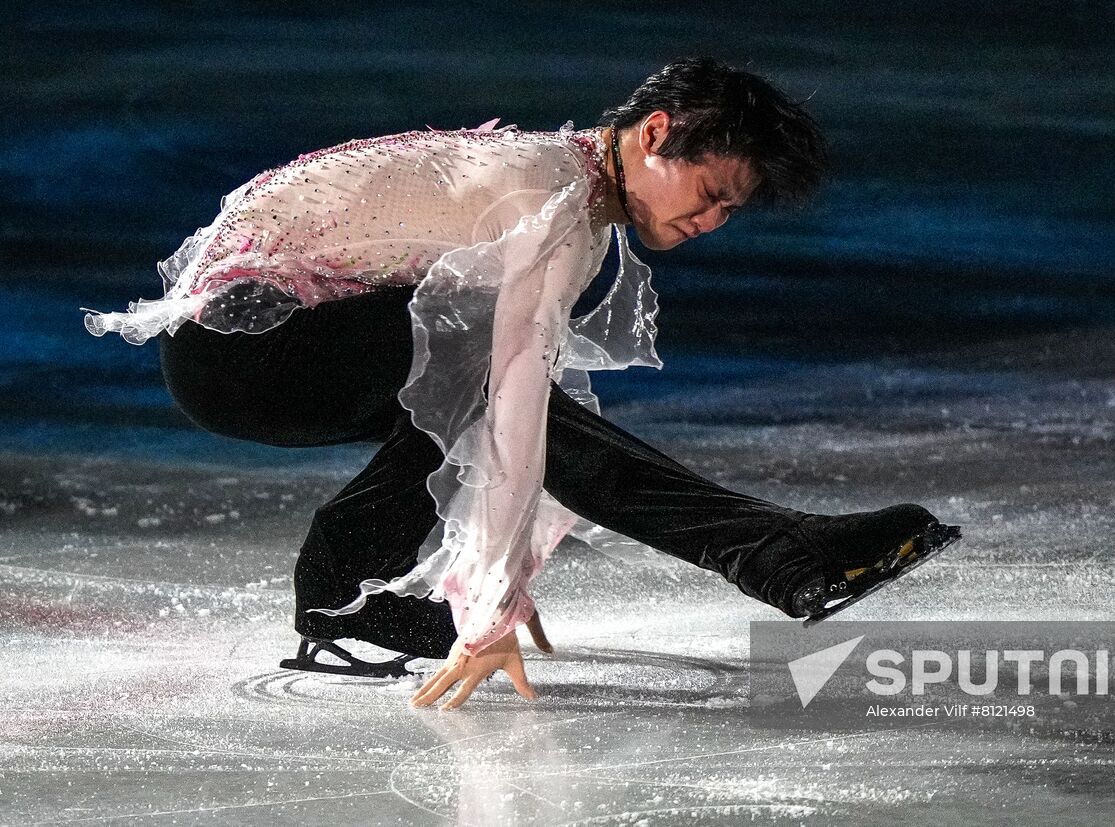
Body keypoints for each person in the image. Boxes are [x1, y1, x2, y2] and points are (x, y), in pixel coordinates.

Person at [81, 56, 959, 711]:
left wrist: (499, 565)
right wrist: (487, 608)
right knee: (488, 371)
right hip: (248, 352)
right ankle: (772, 550)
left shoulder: (561, 183)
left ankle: (349, 593)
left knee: (481, 375)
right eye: (709, 189)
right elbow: (510, 416)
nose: (711, 220)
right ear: (656, 133)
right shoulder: (552, 203)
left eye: (731, 209)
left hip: (257, 348)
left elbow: (508, 414)